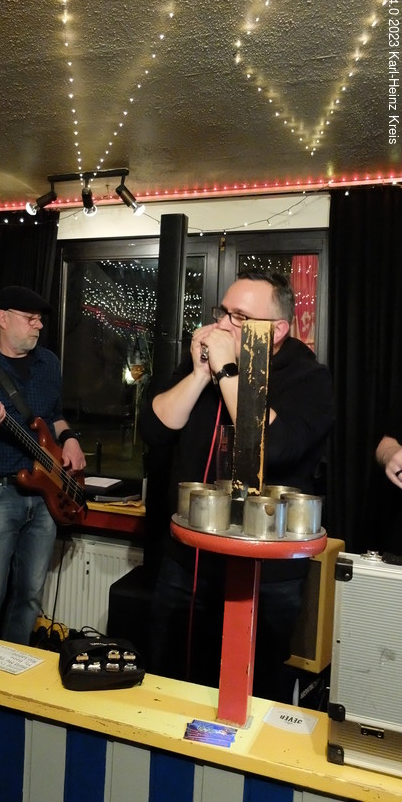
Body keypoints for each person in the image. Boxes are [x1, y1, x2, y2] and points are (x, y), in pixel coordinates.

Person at [139, 270, 334, 701]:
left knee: (250, 689)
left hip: (264, 572)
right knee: (170, 679)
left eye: (240, 318)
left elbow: (275, 447)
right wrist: (199, 374)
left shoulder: (308, 379)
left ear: (277, 330)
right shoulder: (206, 367)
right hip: (188, 559)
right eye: (223, 312)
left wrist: (229, 370)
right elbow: (154, 429)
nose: (224, 325)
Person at [0, 285, 86, 646]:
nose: (38, 325)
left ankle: (16, 661)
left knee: (29, 595)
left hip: (45, 497)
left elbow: (54, 416)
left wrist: (70, 438)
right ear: (3, 319)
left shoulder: (49, 363)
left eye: (40, 320)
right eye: (31, 319)